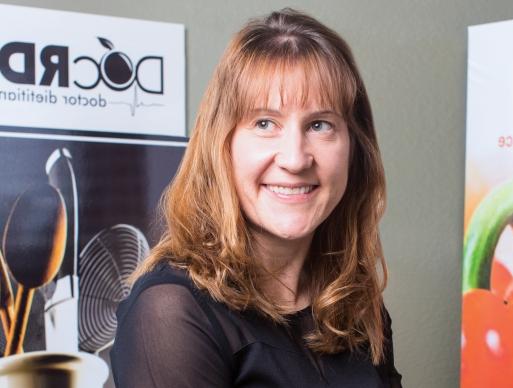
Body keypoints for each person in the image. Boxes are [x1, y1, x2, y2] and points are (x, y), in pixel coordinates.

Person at [110, 8, 402, 388]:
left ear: (354, 147)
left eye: (319, 125)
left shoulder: (354, 305)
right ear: (223, 145)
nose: (295, 159)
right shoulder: (171, 313)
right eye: (265, 123)